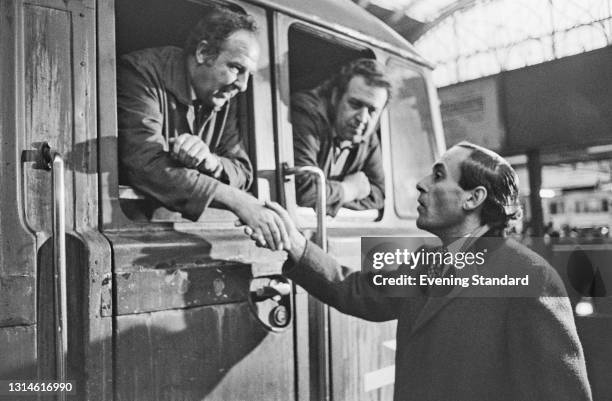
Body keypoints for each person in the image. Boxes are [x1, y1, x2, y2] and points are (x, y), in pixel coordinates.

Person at [248, 142, 592, 400]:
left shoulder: (532, 278)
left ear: (472, 199)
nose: (422, 184)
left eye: (438, 175)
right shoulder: (425, 263)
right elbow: (353, 291)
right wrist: (295, 244)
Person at [117, 6, 287, 249]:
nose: (243, 86)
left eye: (248, 74)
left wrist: (213, 163)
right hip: (136, 232)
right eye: (236, 68)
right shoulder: (141, 73)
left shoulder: (222, 96)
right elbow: (145, 163)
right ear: (203, 52)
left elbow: (242, 170)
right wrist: (237, 201)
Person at [291, 58, 391, 216]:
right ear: (335, 96)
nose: (362, 119)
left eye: (372, 111)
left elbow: (379, 195)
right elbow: (305, 191)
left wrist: (328, 198)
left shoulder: (367, 137)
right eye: (355, 104)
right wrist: (349, 190)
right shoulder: (306, 113)